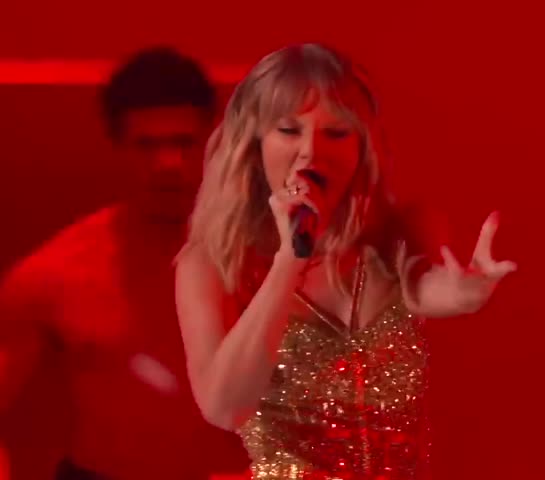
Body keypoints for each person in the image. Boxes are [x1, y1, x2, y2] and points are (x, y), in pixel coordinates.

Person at [175, 43, 517, 479]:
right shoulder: (211, 263)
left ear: (362, 146)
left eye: (336, 133)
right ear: (255, 142)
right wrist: (288, 261)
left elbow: (425, 287)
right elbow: (224, 407)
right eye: (289, 130)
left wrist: (463, 294)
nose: (310, 152)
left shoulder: (396, 233)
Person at [0, 47, 249, 479]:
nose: (167, 164)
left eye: (183, 143)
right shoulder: (59, 273)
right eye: (146, 145)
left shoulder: (273, 261)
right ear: (117, 145)